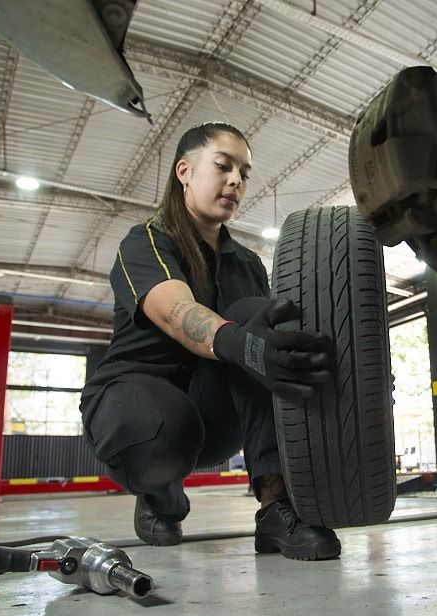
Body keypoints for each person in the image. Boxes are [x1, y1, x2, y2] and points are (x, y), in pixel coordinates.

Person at [80, 122, 341, 560]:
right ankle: (160, 495)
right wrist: (243, 344)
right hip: (134, 403)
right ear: (184, 171)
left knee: (260, 318)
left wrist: (346, 368)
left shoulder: (248, 265)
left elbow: (275, 339)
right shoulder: (144, 242)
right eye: (223, 166)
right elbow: (174, 310)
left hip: (215, 415)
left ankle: (276, 507)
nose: (236, 180)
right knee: (159, 427)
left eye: (244, 172)